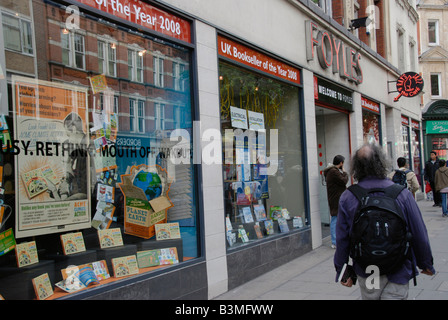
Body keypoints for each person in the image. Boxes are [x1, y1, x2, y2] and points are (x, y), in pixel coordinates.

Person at [334, 144, 435, 300]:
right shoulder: (402, 194)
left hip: (368, 270)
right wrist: (425, 263)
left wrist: (342, 270)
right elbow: (419, 232)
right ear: (381, 162)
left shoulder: (349, 196)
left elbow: (342, 238)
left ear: (356, 167)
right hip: (398, 269)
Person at [323, 155, 348, 249]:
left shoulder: (333, 171)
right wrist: (345, 172)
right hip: (335, 199)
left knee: (337, 218)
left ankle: (337, 240)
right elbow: (344, 180)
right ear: (341, 163)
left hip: (336, 198)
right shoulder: (333, 171)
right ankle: (334, 242)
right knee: (334, 218)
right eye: (343, 163)